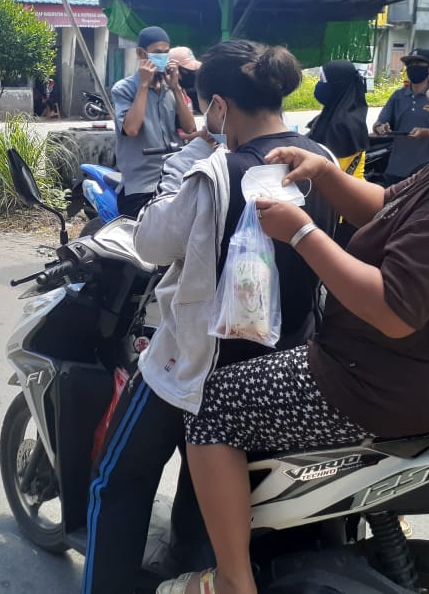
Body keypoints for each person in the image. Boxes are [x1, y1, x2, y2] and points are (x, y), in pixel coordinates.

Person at [159, 11, 429, 594]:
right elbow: (386, 203)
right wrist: (323, 174)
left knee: (210, 401)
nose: (427, 95)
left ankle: (232, 579)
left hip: (378, 381)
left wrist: (301, 233)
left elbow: (392, 310)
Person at [83, 40, 338, 594]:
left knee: (116, 482)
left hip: (200, 369)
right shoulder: (320, 159)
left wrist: (195, 151)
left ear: (218, 106)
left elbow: (151, 242)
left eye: (206, 108)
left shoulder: (213, 171)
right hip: (286, 364)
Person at [111, 26, 197, 217]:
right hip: (141, 184)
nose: (163, 57)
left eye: (166, 52)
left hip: (174, 177)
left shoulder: (171, 89)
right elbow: (131, 129)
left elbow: (190, 128)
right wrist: (143, 85)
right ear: (141, 53)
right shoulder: (124, 89)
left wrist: (176, 88)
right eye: (158, 52)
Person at [373, 47, 429, 185]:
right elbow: (378, 124)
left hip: (427, 169)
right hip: (396, 168)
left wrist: (426, 132)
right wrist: (380, 128)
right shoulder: (398, 96)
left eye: (418, 64)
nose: (413, 67)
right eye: (410, 64)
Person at [307, 60, 369, 179]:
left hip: (340, 188)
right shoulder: (335, 115)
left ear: (337, 85)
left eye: (322, 79)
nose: (319, 84)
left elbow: (332, 171)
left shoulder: (342, 125)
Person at [168, 45, 202, 111]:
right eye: (186, 71)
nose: (194, 72)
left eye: (196, 69)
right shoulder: (168, 95)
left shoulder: (201, 90)